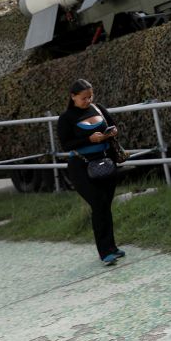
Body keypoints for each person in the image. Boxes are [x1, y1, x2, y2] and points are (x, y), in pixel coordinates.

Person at [57, 79, 124, 266]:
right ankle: (105, 252)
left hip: (105, 162)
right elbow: (66, 144)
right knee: (98, 204)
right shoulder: (66, 118)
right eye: (84, 98)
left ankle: (112, 247)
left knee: (106, 205)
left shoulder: (98, 108)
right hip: (81, 166)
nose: (88, 100)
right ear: (73, 97)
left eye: (90, 96)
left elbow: (112, 125)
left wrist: (112, 132)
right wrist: (89, 139)